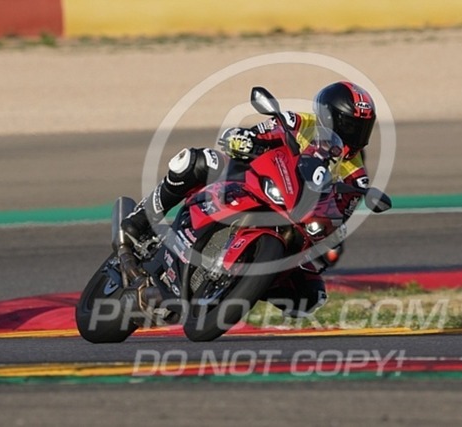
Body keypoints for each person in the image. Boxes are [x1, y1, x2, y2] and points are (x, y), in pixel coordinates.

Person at [119, 81, 376, 317]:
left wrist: (329, 225)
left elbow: (341, 213)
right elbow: (259, 133)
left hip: (295, 217)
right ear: (328, 116)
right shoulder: (297, 122)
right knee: (194, 161)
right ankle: (139, 221)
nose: (355, 135)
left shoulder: (357, 176)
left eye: (362, 128)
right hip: (254, 181)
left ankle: (243, 286)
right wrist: (243, 139)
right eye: (350, 125)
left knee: (311, 297)